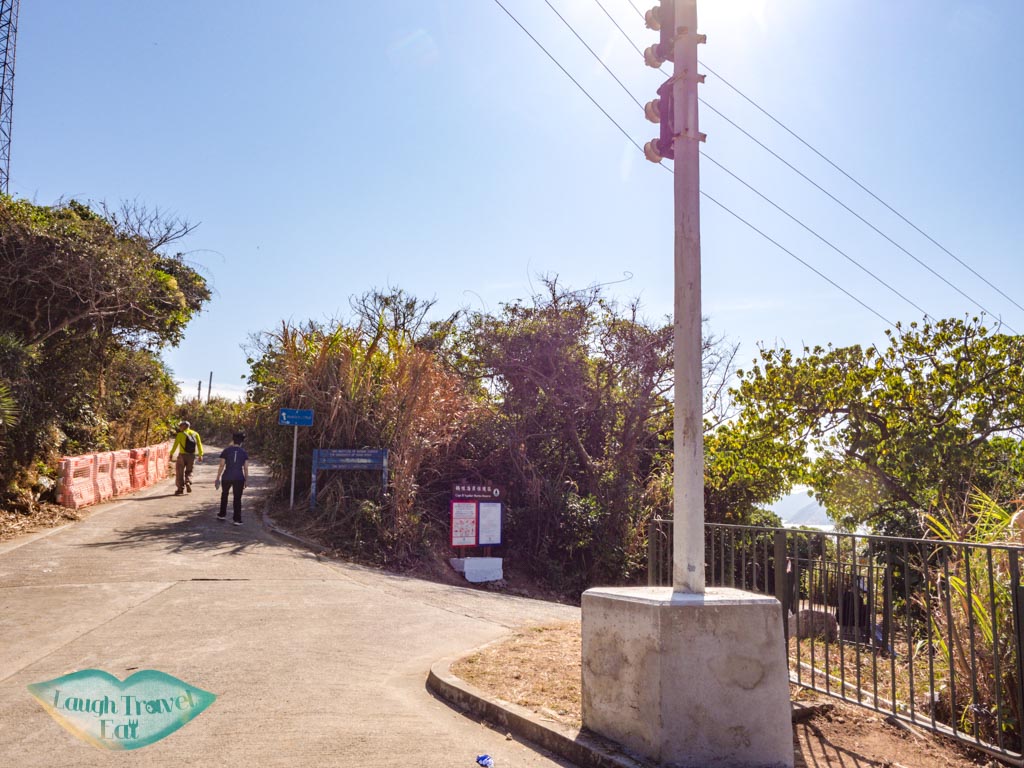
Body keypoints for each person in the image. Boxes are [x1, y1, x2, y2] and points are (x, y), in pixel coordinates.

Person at [215, 432, 249, 525]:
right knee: (237, 498)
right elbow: (245, 467)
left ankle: (222, 514)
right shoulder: (244, 452)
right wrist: (246, 479)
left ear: (233, 440)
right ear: (242, 442)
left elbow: (221, 465)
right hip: (239, 477)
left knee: (224, 495)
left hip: (227, 476)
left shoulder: (226, 450)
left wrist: (217, 478)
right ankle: (237, 519)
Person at [168, 420, 204, 495]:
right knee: (189, 471)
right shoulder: (195, 433)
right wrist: (200, 454)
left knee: (179, 472)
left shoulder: (180, 434)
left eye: (180, 426)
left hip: (182, 456)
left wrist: (171, 453)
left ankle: (180, 489)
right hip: (192, 456)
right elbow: (199, 445)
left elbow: (175, 445)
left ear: (184, 426)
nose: (179, 427)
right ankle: (188, 481)